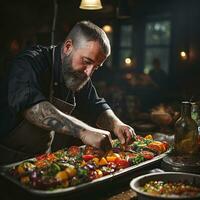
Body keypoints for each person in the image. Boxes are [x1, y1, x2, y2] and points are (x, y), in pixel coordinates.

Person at [0, 21, 135, 165]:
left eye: (96, 67)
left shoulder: (79, 74)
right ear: (68, 47)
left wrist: (117, 125)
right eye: (86, 61)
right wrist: (84, 131)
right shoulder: (28, 62)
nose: (89, 72)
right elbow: (31, 107)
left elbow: (95, 105)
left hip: (40, 160)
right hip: (7, 160)